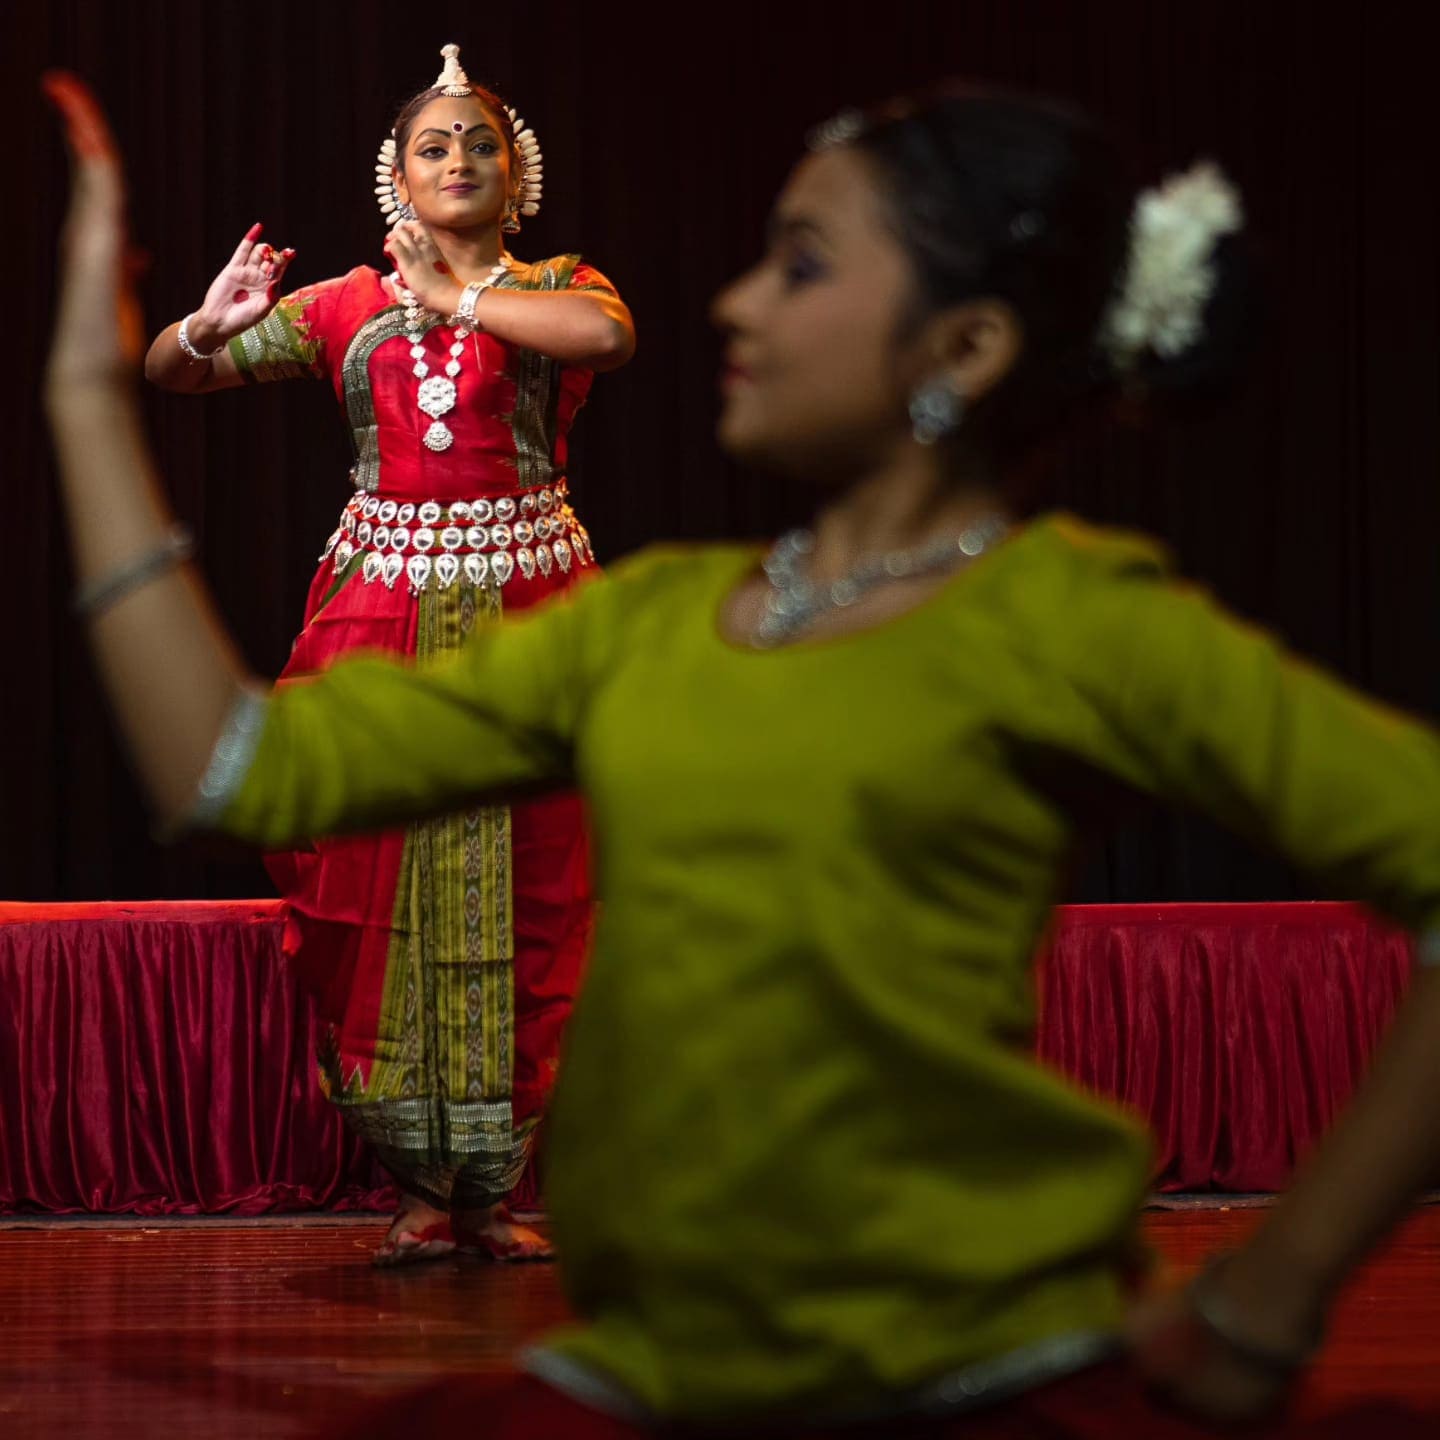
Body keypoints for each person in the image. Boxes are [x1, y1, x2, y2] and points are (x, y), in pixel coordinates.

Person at [43, 69, 1440, 1437]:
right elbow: (231, 769)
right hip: (663, 1375)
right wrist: (86, 402)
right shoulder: (649, 625)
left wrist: (1274, 1295)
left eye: (804, 265)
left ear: (966, 348)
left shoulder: (1074, 623)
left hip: (993, 1373)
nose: (735, 302)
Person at [138, 45, 635, 1264]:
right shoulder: (349, 307)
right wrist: (204, 326)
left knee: (539, 884)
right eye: (432, 145)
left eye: (479, 143)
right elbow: (171, 374)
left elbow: (601, 338)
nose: (457, 158)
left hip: (537, 616)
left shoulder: (558, 283)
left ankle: (496, 1190)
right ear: (394, 180)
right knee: (364, 880)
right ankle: (417, 1187)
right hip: (378, 613)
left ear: (515, 173)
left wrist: (460, 299)